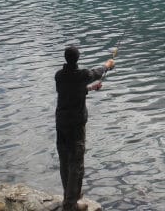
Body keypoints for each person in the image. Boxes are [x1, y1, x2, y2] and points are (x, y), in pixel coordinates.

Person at [55, 45, 115, 211]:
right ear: (78, 58)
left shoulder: (59, 75)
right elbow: (96, 72)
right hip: (75, 125)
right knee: (76, 163)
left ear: (66, 58)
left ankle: (69, 195)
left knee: (64, 159)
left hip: (61, 123)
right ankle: (70, 204)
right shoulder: (83, 75)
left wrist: (90, 88)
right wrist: (108, 65)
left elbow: (70, 90)